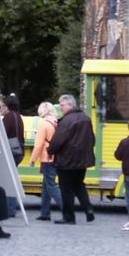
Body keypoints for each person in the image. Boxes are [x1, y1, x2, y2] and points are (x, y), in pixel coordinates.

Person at [47, 94, 96, 224]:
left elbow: (58, 141)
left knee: (66, 189)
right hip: (82, 161)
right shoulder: (86, 119)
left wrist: (50, 151)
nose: (60, 108)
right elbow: (92, 139)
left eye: (62, 105)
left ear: (70, 105)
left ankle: (69, 217)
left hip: (66, 161)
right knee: (79, 185)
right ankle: (88, 208)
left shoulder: (67, 121)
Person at [30, 102, 63, 221]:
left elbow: (38, 145)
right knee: (46, 186)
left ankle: (67, 210)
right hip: (54, 156)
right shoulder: (55, 121)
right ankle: (45, 213)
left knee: (51, 185)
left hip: (47, 157)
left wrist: (32, 159)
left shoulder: (43, 123)